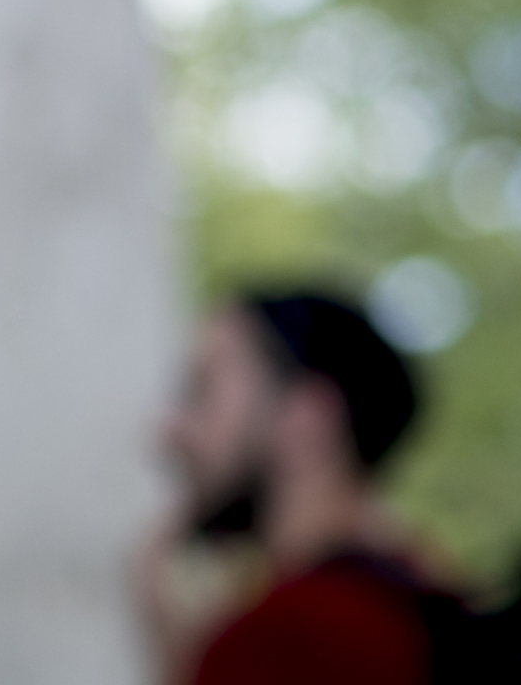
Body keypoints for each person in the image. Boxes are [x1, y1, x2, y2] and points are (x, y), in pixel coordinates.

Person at [139, 289, 451, 685]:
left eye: (202, 391)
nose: (170, 432)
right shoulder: (407, 606)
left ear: (309, 418)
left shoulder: (296, 633)